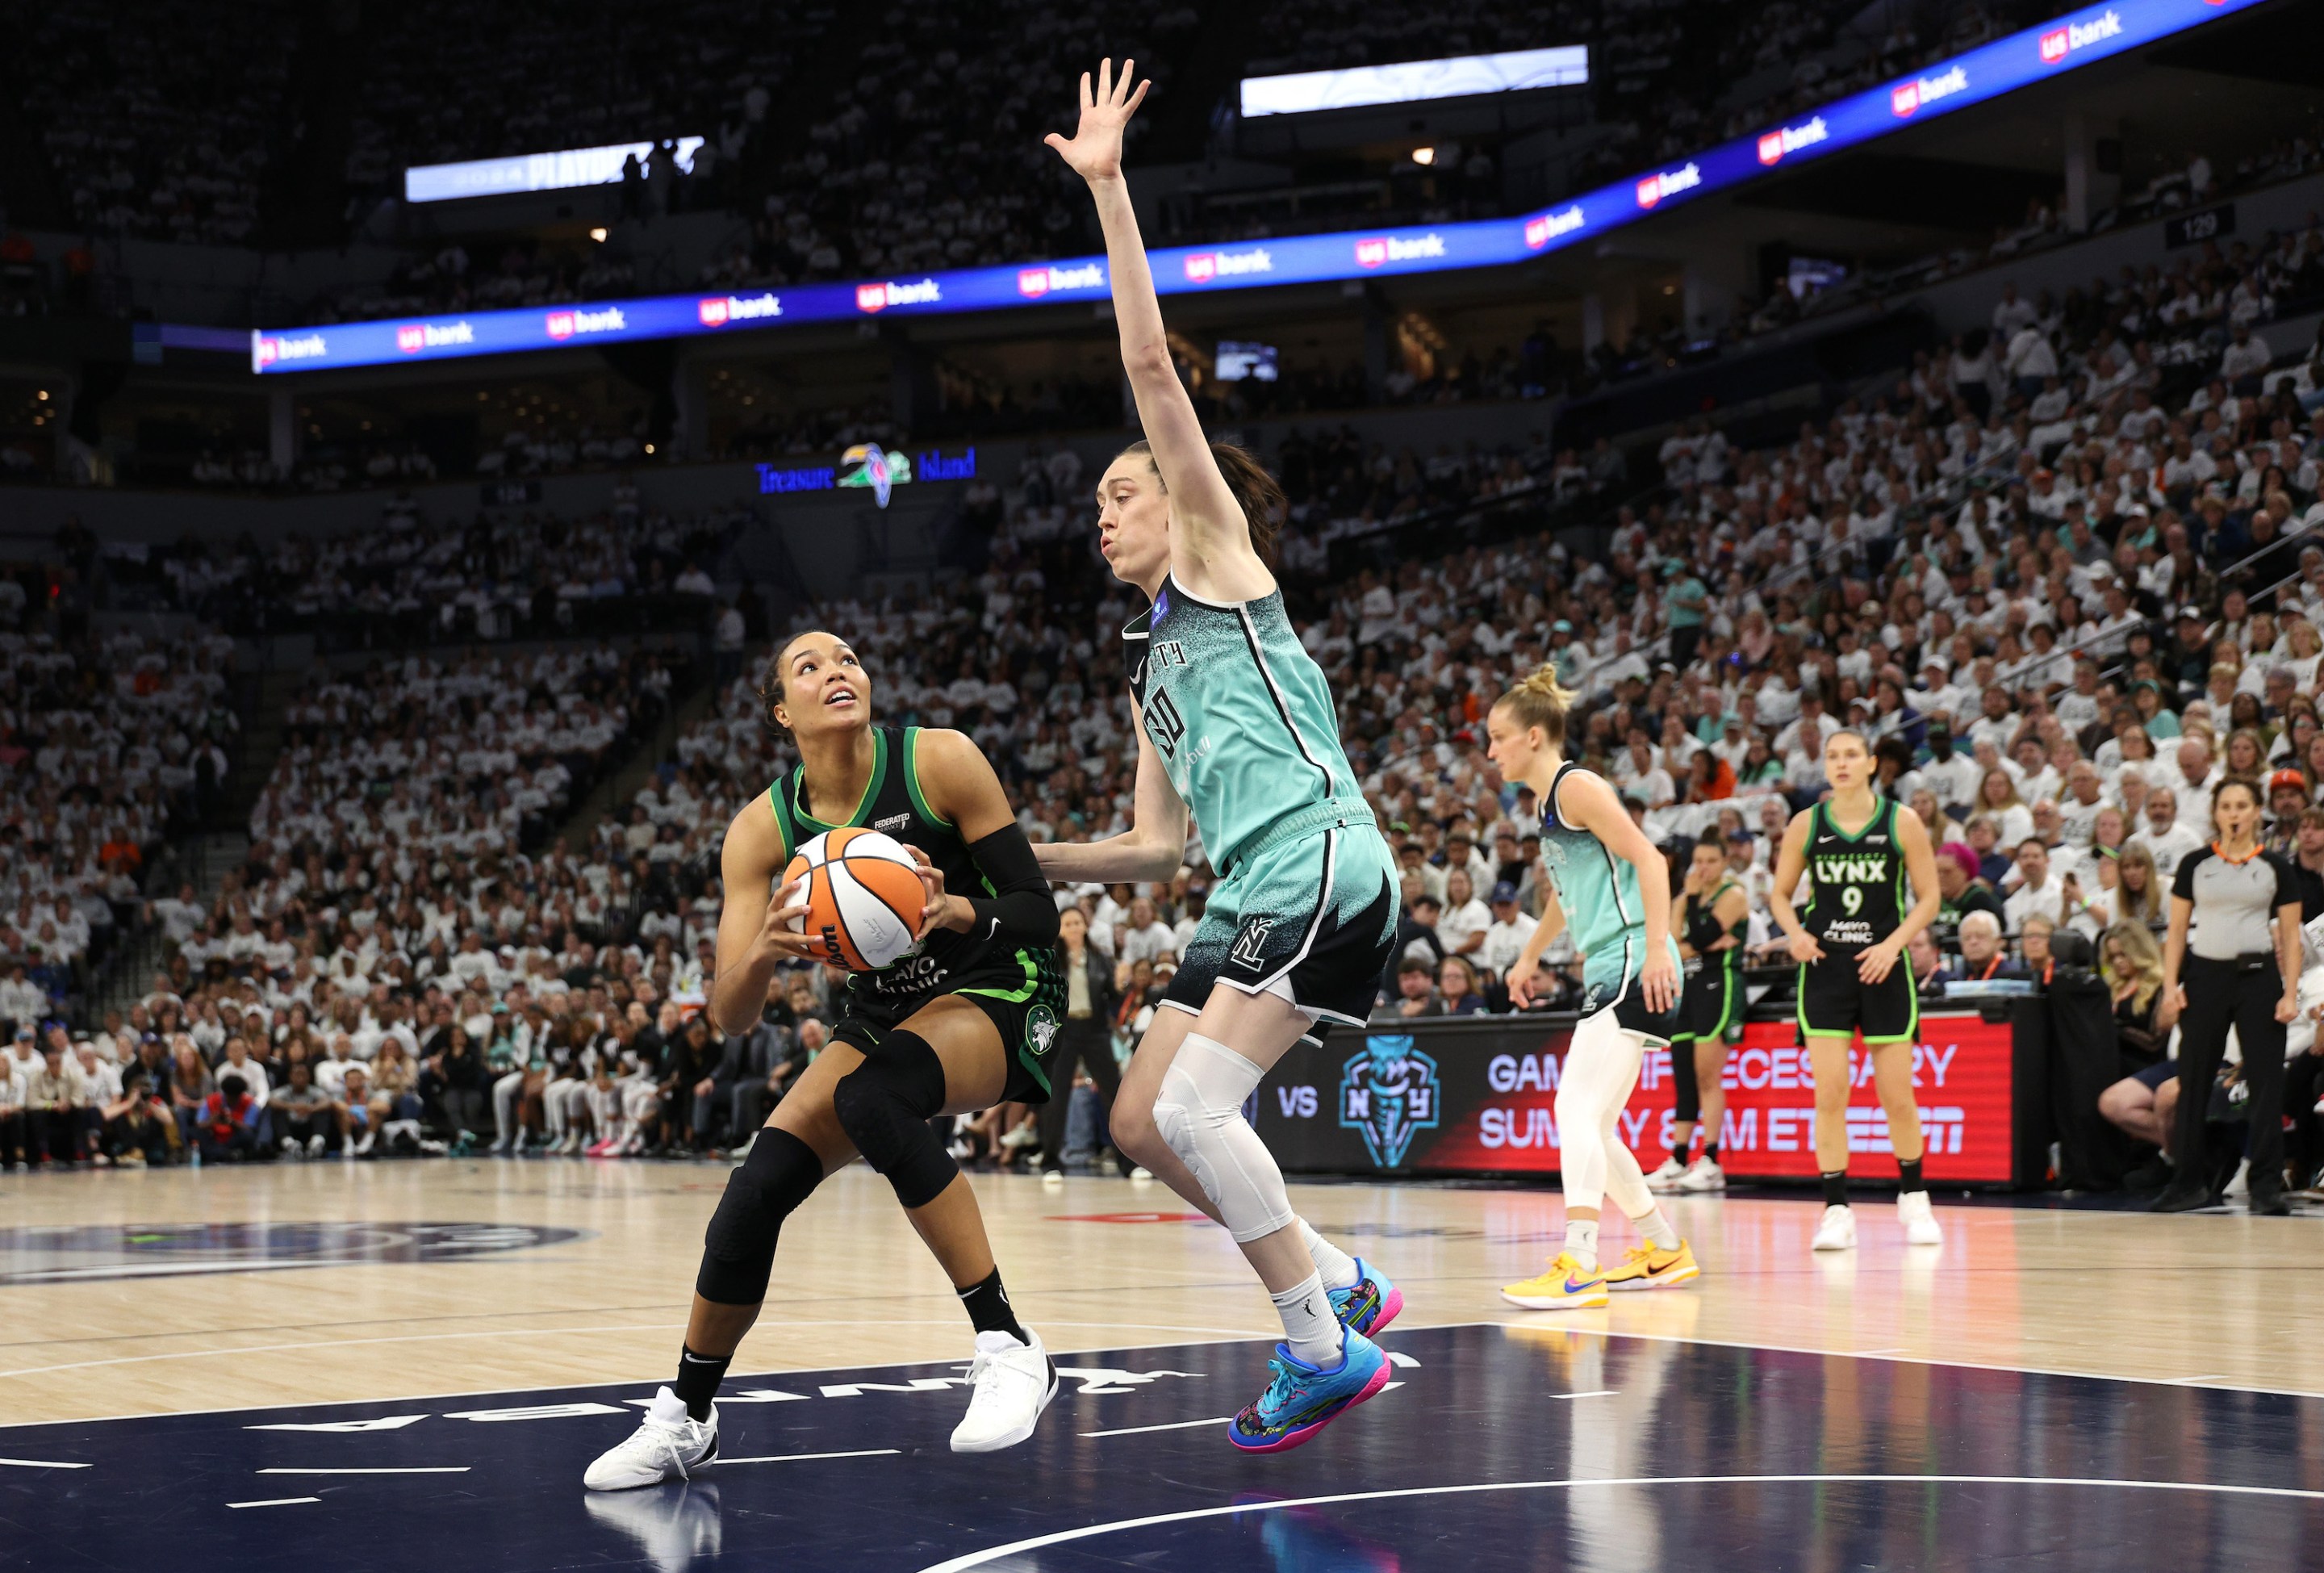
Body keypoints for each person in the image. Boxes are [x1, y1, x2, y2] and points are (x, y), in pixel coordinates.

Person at [1035, 61, 1402, 1454]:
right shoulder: (1151, 670)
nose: (1106, 511)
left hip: (1317, 853)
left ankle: (1319, 1334)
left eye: (1121, 488)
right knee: (1141, 1116)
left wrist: (1112, 187)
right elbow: (1153, 849)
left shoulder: (1215, 556)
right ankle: (1342, 1273)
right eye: (1100, 502)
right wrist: (1006, 852)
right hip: (1243, 883)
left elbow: (1144, 364)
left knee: (1197, 1099)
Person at [585, 630, 1068, 1491]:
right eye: (808, 666)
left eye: (846, 657)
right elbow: (732, 1018)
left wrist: (950, 906)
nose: (835, 671)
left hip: (1000, 982)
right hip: (885, 1010)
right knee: (754, 1187)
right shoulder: (760, 831)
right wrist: (766, 946)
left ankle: (1009, 1344)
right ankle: (688, 1416)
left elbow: (1036, 908)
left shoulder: (941, 761)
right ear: (782, 712)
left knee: (874, 1101)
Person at [1486, 667, 1699, 1309]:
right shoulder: (1549, 803)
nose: (1490, 751)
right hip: (1613, 955)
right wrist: (1529, 955)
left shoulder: (1575, 785)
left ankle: (1579, 1263)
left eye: (1497, 738)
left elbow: (1651, 858)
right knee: (1595, 1125)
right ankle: (1663, 1248)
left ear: (1531, 736)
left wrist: (1659, 946)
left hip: (1634, 952)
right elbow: (1566, 897)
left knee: (1573, 1110)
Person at [1770, 730, 1946, 1251]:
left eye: (1851, 754)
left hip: (1884, 966)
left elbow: (1930, 897)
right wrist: (1796, 934)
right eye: (1833, 756)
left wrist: (1894, 945)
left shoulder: (1901, 821)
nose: (1841, 763)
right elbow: (1780, 896)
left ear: (1871, 763)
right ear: (1824, 767)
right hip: (1826, 969)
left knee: (1897, 1094)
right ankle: (1836, 1209)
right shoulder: (1807, 824)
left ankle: (1914, 1198)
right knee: (1830, 1094)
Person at [2155, 778, 2302, 1215]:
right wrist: (2169, 988)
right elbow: (2177, 932)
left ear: (2257, 812)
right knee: (2194, 1079)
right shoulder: (2194, 864)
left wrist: (2290, 992)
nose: (2234, 814)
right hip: (2205, 976)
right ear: (2215, 813)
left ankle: (2265, 1186)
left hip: (2258, 977)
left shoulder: (2276, 866)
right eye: (2226, 806)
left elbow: (2291, 937)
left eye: (2242, 806)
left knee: (2264, 1083)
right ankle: (2187, 1183)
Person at [1649, 839, 1748, 1194]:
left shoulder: (1733, 894)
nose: (1703, 868)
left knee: (1708, 1075)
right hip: (1688, 987)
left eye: (1711, 860)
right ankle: (1678, 1158)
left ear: (1724, 862)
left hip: (1718, 985)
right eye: (1699, 860)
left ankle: (1710, 1160)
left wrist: (1693, 909)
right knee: (1684, 1077)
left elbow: (1704, 934)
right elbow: (1672, 945)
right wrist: (1702, 941)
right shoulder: (1682, 899)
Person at [1037, 906, 1130, 1179]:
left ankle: (1128, 1162)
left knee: (1113, 1094)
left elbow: (1113, 999)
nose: (1075, 928)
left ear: (1086, 927)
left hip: (1095, 1030)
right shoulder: (1052, 960)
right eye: (1068, 924)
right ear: (1061, 930)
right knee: (1055, 1096)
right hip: (1064, 1031)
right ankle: (1051, 1161)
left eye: (1078, 922)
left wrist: (1119, 984)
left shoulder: (1101, 959)